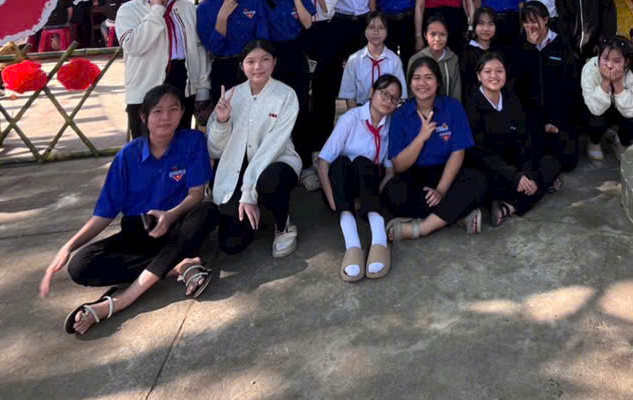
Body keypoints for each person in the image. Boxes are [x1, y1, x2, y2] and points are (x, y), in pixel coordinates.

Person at [42, 85, 218, 337]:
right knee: (80, 266)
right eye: (157, 111)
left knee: (207, 211)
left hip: (178, 225)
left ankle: (120, 301)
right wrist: (69, 246)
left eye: (173, 109)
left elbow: (196, 194)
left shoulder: (193, 141)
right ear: (143, 117)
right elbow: (105, 213)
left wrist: (170, 216)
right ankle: (177, 266)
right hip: (139, 232)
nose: (166, 117)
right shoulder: (127, 156)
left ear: (182, 113)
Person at [208, 41, 302, 258]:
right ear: (242, 66)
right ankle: (258, 208)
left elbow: (272, 147)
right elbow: (215, 151)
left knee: (271, 181)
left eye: (265, 60)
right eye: (250, 61)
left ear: (274, 62)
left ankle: (282, 223)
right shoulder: (231, 96)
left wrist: (249, 191)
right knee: (231, 243)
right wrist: (222, 122)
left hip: (277, 161)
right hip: (237, 168)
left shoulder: (286, 95)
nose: (258, 67)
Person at [382, 56, 487, 240]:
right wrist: (421, 138)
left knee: (477, 180)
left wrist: (441, 191)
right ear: (410, 83)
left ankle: (422, 228)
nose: (422, 83)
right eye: (416, 78)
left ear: (438, 82)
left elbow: (458, 152)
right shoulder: (400, 114)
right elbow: (398, 165)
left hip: (446, 173)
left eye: (428, 77)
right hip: (415, 176)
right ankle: (455, 215)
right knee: (393, 193)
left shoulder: (453, 107)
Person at [316, 73, 402, 282]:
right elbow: (323, 163)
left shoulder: (392, 125)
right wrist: (333, 201)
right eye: (384, 94)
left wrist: (372, 196)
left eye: (394, 98)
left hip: (370, 184)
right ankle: (352, 244)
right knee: (341, 162)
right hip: (341, 186)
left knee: (364, 163)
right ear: (372, 92)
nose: (388, 101)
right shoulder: (350, 118)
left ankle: (379, 239)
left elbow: (389, 170)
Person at [116, 0, 210, 140]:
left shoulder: (188, 8)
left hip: (182, 80)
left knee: (179, 140)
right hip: (146, 84)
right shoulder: (129, 10)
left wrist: (202, 89)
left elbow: (199, 51)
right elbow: (134, 46)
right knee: (146, 144)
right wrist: (156, 10)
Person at [465, 50, 561, 226]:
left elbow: (524, 140)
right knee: (484, 184)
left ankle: (508, 207)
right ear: (478, 76)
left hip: (516, 166)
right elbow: (480, 153)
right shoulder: (472, 105)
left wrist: (526, 174)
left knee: (551, 163)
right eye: (487, 72)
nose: (494, 76)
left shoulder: (511, 98)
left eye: (499, 71)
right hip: (492, 169)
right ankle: (526, 194)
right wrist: (515, 176)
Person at [259, 0, 319, 190]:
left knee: (300, 108)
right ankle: (273, 164)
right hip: (270, 56)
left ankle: (305, 165)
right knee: (272, 112)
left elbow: (307, 23)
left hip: (295, 54)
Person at [515, 1, 583, 172]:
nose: (530, 26)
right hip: (532, 116)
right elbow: (519, 84)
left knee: (568, 161)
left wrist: (555, 120)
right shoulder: (520, 45)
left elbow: (570, 87)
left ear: (545, 20)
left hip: (558, 114)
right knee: (530, 158)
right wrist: (530, 48)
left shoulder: (561, 44)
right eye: (526, 22)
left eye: (534, 21)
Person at [195, 0, 269, 108]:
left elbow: (263, 36)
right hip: (225, 71)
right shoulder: (206, 7)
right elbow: (214, 47)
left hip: (253, 68)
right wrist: (222, 18)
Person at [298, 0, 342, 150]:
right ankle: (303, 142)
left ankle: (324, 141)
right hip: (301, 33)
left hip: (325, 32)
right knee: (302, 88)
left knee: (325, 90)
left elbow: (327, 8)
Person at [581, 37, 633, 161]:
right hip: (598, 110)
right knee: (593, 120)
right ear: (599, 56)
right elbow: (595, 109)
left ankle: (622, 142)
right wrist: (605, 82)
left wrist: (617, 83)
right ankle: (594, 141)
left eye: (616, 61)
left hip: (621, 110)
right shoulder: (590, 69)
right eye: (605, 59)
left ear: (626, 61)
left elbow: (631, 112)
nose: (609, 65)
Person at [339, 12, 404, 106]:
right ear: (365, 31)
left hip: (388, 109)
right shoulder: (353, 60)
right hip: (360, 109)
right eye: (371, 27)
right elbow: (349, 96)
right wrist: (358, 115)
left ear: (387, 32)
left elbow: (400, 96)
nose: (376, 32)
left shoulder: (394, 61)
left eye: (381, 28)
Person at [408, 13, 462, 100]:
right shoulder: (415, 59)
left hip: (447, 107)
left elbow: (456, 91)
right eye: (432, 34)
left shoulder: (453, 59)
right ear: (425, 35)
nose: (437, 39)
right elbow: (411, 92)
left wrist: (454, 108)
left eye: (442, 34)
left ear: (448, 35)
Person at [460, 6, 499, 100]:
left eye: (490, 24)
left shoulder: (499, 50)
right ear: (474, 26)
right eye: (481, 24)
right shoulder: (466, 51)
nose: (486, 29)